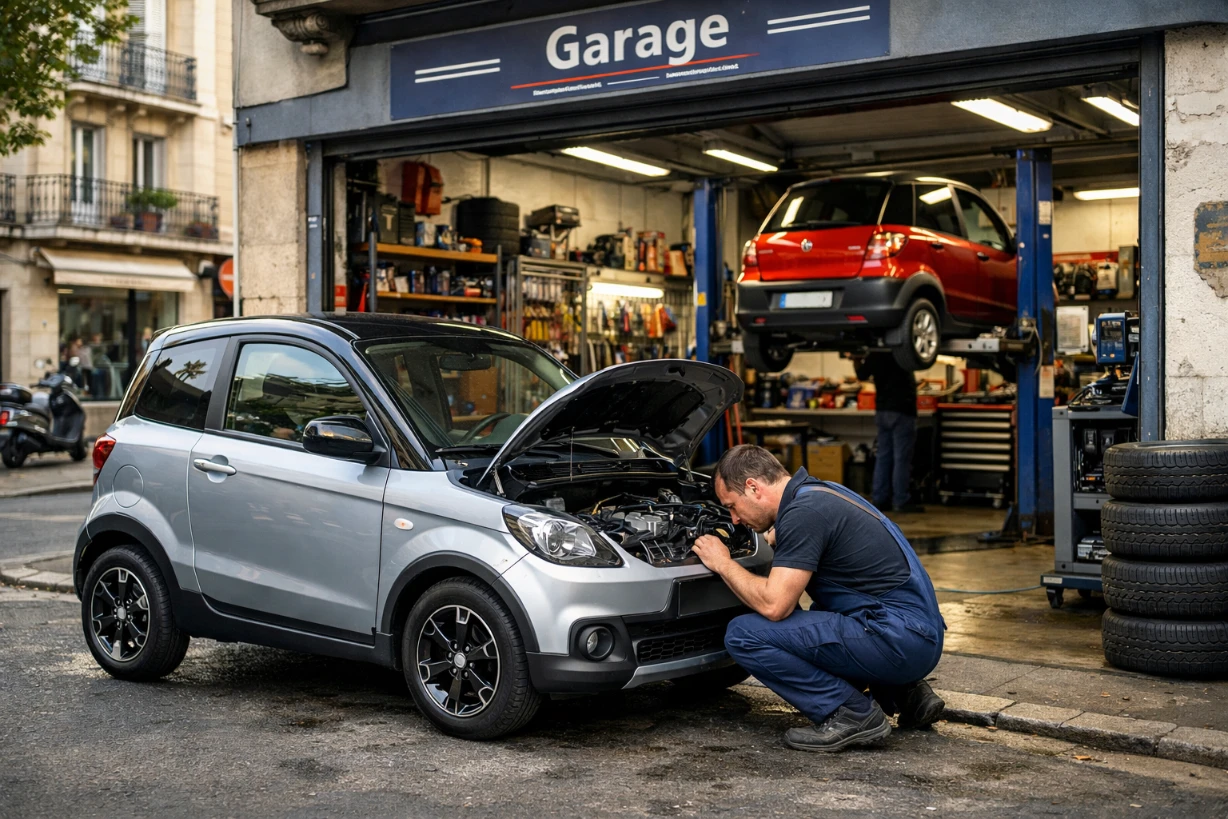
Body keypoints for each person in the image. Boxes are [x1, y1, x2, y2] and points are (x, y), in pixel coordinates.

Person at [691, 445, 946, 753]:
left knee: (745, 635)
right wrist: (782, 533)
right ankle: (904, 693)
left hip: (899, 640)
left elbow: (774, 605)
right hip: (918, 636)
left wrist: (723, 564)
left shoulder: (804, 513)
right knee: (815, 611)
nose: (733, 519)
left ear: (753, 488)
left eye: (732, 506)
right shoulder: (819, 493)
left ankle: (850, 712)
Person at [852, 352, 923, 513]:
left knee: (883, 457)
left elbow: (861, 374)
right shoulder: (903, 351)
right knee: (901, 459)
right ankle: (900, 500)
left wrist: (856, 359)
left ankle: (880, 499)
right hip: (902, 410)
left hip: (883, 411)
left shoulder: (875, 353)